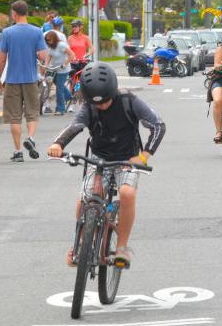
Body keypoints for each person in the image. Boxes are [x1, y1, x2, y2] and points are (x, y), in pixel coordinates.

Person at [47, 61, 166, 267]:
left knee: (127, 193)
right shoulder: (89, 107)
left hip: (127, 158)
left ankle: (122, 247)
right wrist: (58, 143)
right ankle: (81, 245)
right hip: (99, 157)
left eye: (106, 101)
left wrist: (144, 156)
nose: (101, 106)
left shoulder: (130, 101)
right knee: (86, 196)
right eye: (96, 103)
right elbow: (75, 125)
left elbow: (158, 125)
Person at [0, 0, 48, 162]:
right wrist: (41, 61)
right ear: (26, 12)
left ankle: (18, 151)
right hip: (31, 79)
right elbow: (43, 55)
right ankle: (30, 138)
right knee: (32, 112)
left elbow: (2, 59)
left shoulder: (7, 32)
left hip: (12, 80)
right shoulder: (36, 32)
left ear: (14, 13)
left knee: (14, 116)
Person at [44, 30, 75, 116]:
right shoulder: (50, 47)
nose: (48, 42)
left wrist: (65, 63)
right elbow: (48, 56)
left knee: (59, 90)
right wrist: (46, 65)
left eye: (49, 40)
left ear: (54, 39)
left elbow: (72, 54)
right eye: (47, 41)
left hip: (63, 70)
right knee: (59, 86)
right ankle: (70, 97)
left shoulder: (61, 45)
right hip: (54, 69)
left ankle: (60, 109)